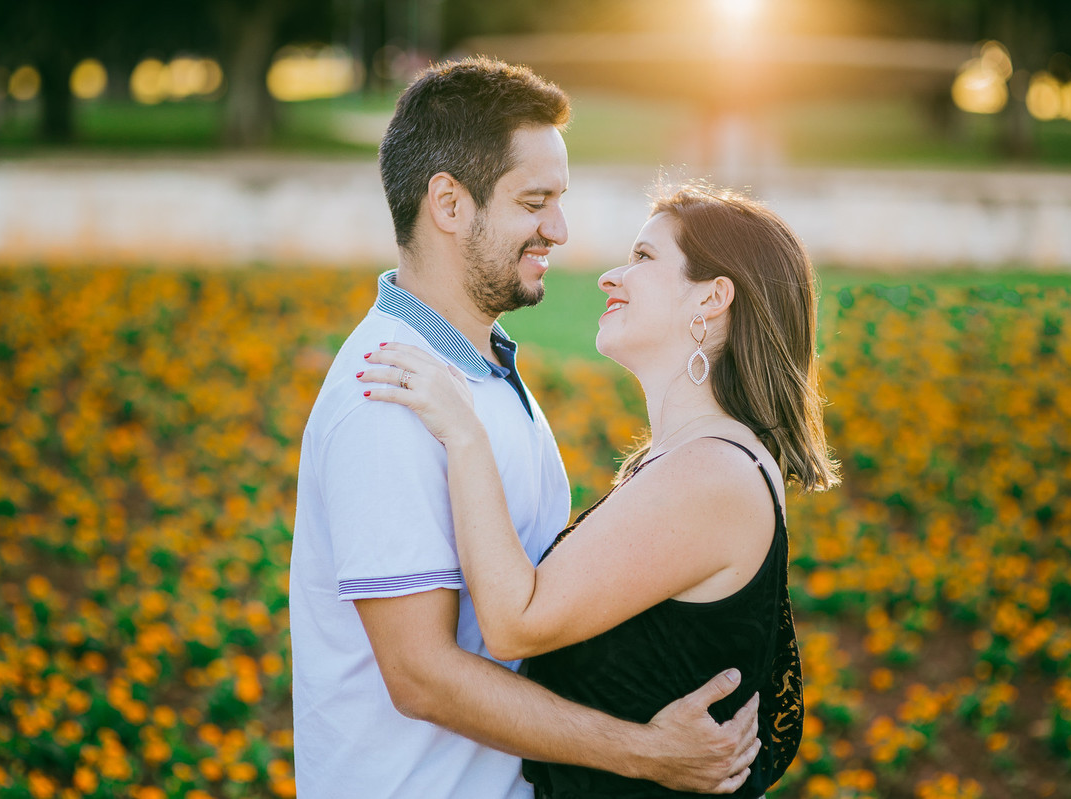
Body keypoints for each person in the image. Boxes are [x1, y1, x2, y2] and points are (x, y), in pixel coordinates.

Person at [289, 58, 762, 798]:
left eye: (559, 200)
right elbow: (421, 675)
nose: (561, 229)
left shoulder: (481, 371)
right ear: (449, 203)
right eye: (535, 201)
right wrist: (641, 751)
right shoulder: (390, 392)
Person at [360, 182, 841, 798]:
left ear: (713, 298)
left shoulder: (712, 474)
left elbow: (515, 622)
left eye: (643, 258)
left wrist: (465, 435)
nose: (609, 277)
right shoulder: (688, 461)